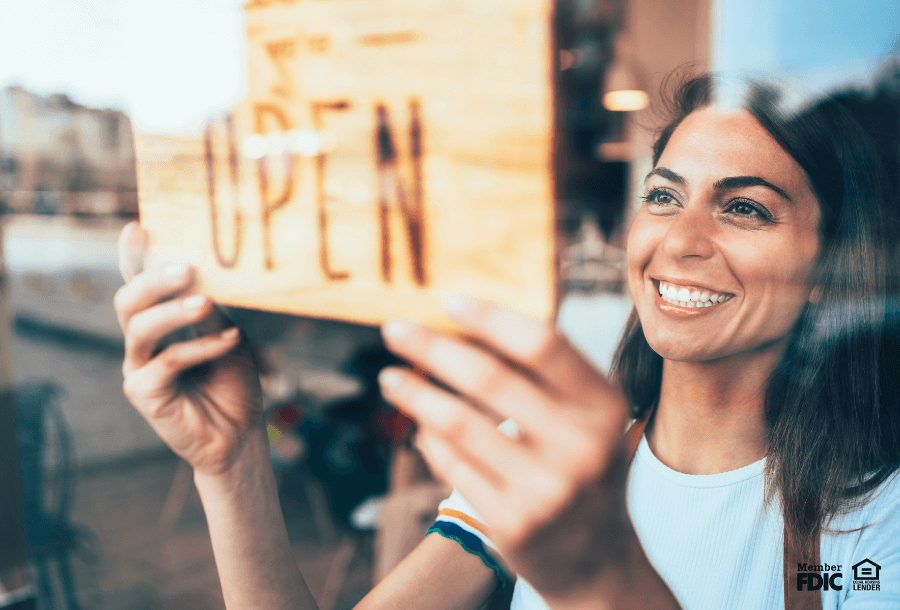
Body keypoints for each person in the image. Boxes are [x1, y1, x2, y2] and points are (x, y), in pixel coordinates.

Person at [114, 72, 900, 610]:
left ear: (833, 264)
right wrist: (232, 462)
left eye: (746, 209)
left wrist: (600, 570)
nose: (679, 241)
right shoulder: (542, 460)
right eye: (664, 196)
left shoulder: (875, 522)